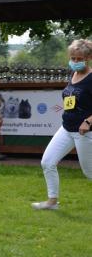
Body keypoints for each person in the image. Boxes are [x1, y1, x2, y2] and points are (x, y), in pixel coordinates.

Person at [32, 39, 92, 210]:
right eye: (73, 58)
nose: (75, 62)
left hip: (84, 132)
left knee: (89, 172)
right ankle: (52, 202)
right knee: (47, 162)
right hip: (66, 129)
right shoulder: (72, 75)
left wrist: (87, 121)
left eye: (79, 59)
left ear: (88, 58)